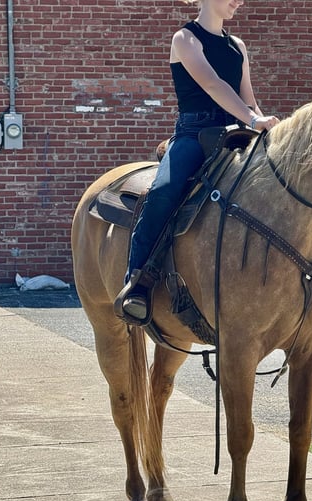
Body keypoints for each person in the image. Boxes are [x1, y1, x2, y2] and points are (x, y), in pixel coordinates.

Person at [115, 0, 279, 324]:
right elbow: (212, 84)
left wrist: (265, 125)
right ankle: (136, 284)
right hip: (194, 134)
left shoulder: (238, 47)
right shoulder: (185, 39)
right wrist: (250, 117)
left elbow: (249, 100)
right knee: (163, 191)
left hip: (235, 133)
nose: (239, 1)